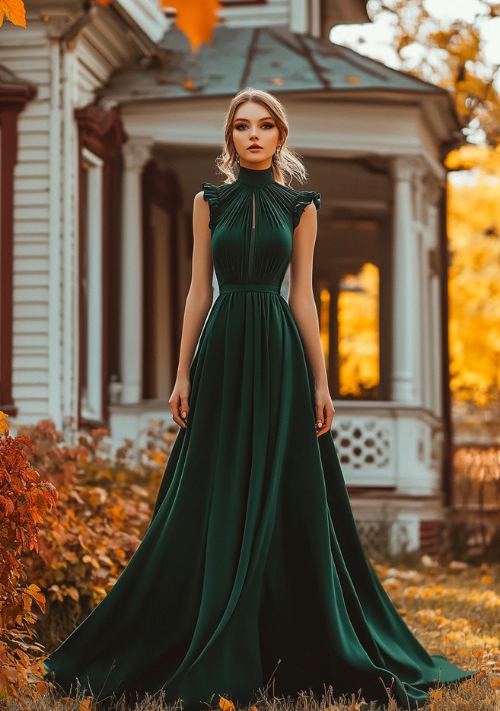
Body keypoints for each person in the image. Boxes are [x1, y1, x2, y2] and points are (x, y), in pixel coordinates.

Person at [43, 88, 476, 710]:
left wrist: (322, 383)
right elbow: (198, 291)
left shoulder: (301, 206)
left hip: (277, 352)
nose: (252, 135)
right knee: (211, 485)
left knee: (286, 484)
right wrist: (182, 371)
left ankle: (290, 627)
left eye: (264, 126)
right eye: (242, 126)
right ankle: (197, 622)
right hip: (222, 350)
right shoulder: (207, 202)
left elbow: (302, 297)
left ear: (279, 136)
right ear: (230, 138)